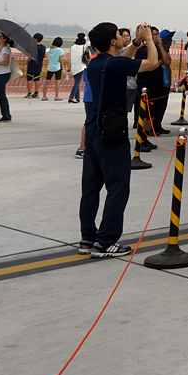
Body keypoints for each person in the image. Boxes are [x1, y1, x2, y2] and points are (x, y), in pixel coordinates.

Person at [79, 22, 164, 258]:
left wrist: (135, 43)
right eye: (119, 35)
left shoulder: (96, 63)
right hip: (112, 133)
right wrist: (149, 40)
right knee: (117, 186)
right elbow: (152, 63)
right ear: (113, 41)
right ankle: (106, 241)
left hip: (93, 131)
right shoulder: (114, 64)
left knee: (90, 188)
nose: (121, 37)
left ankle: (88, 238)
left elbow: (120, 61)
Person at [66, 32, 90, 103]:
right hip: (81, 66)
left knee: (76, 82)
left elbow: (70, 57)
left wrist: (69, 67)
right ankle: (71, 97)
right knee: (77, 83)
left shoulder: (72, 47)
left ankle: (77, 97)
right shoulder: (84, 47)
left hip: (74, 67)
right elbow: (90, 56)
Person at [26, 34, 46, 98]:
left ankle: (29, 93)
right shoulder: (43, 47)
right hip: (39, 64)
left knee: (29, 78)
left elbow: (30, 56)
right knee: (37, 78)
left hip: (32, 64)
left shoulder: (32, 47)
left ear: (36, 39)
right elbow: (45, 55)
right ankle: (36, 92)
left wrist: (27, 62)